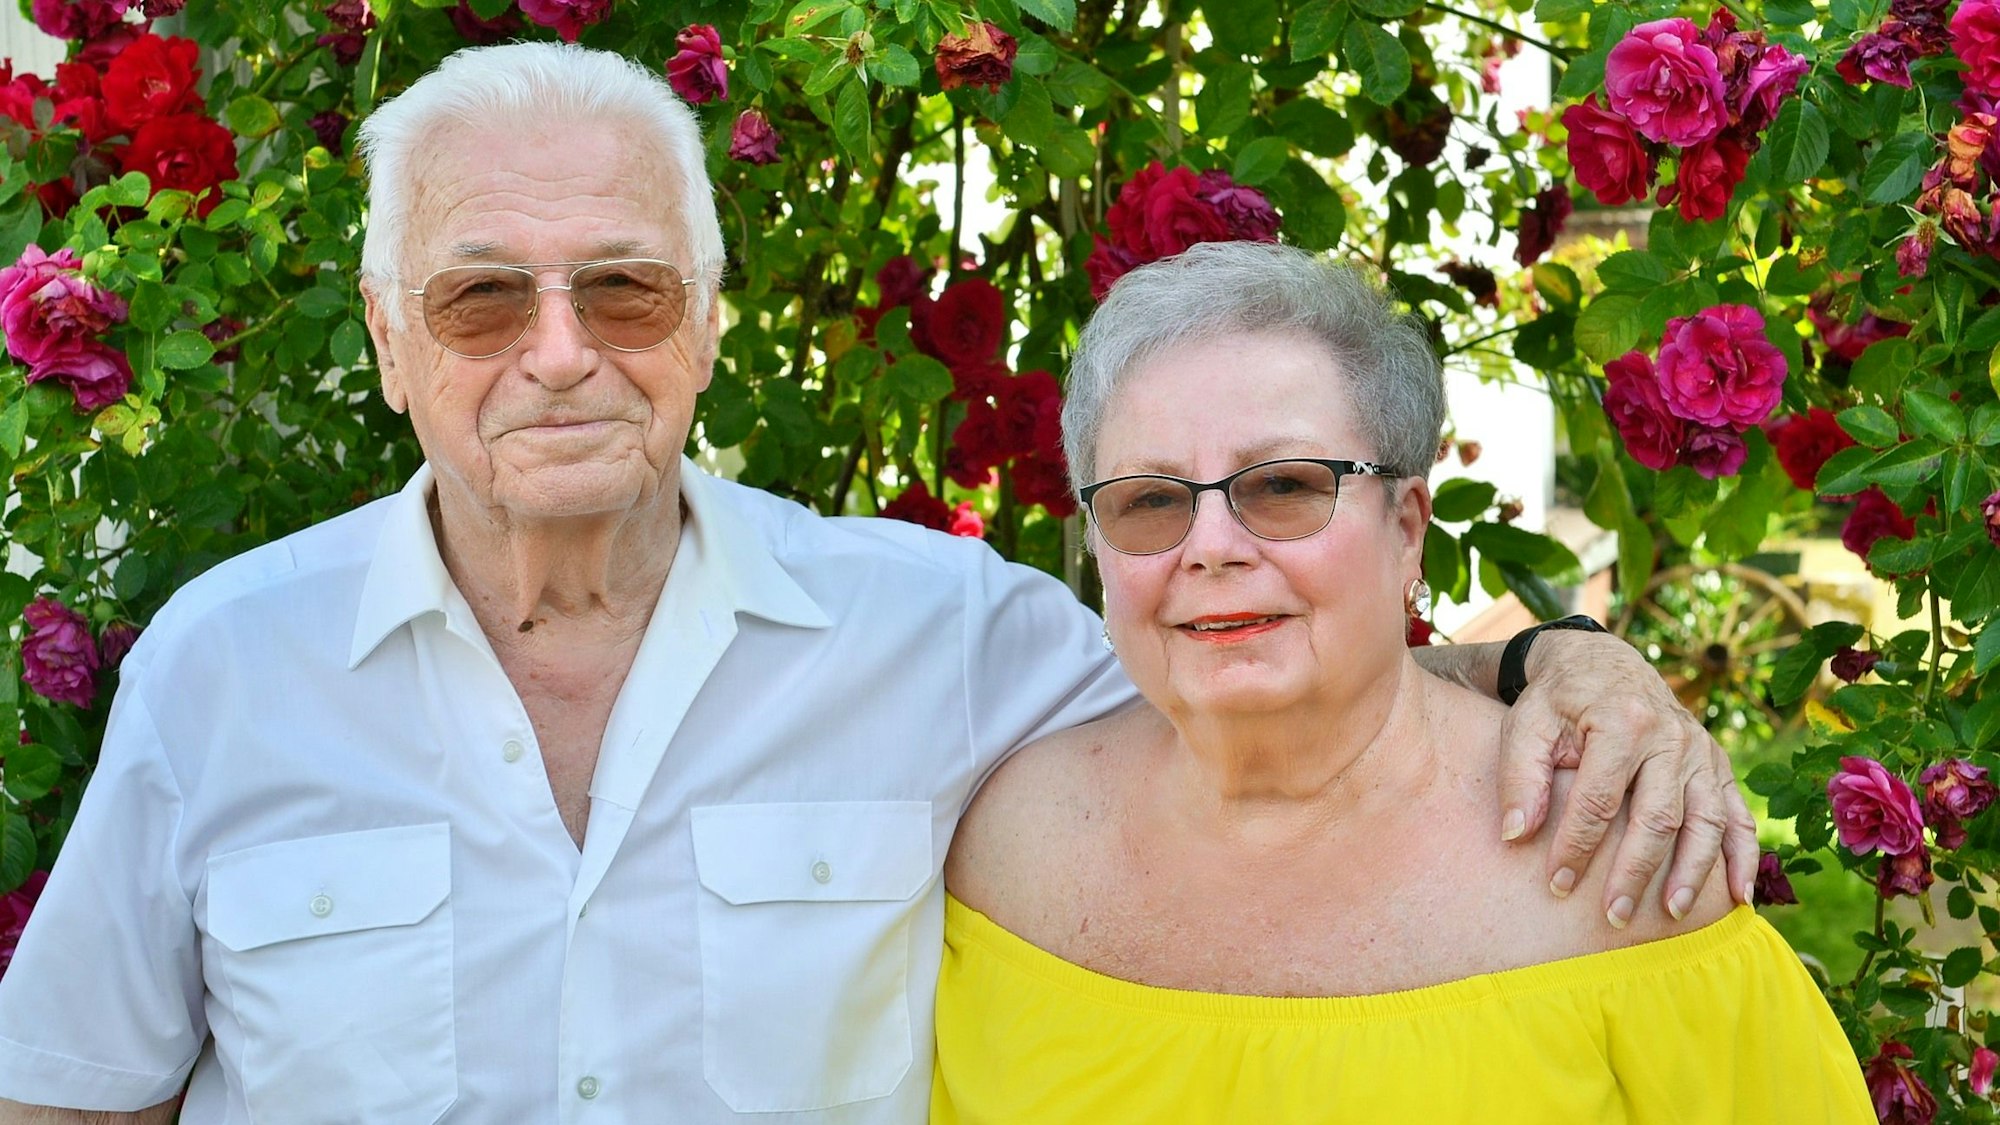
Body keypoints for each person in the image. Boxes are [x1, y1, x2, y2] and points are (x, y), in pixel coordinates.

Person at [0, 43, 1755, 1125]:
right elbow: (73, 1099)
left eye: (622, 290)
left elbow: (1258, 646)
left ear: (700, 323)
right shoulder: (224, 670)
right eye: (481, 301)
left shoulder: (949, 639)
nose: (560, 356)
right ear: (390, 342)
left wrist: (1576, 666)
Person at [931, 241, 1872, 1124]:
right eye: (1149, 500)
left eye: (1286, 486)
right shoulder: (996, 849)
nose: (1211, 547)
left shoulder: (1616, 864)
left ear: (1407, 526)